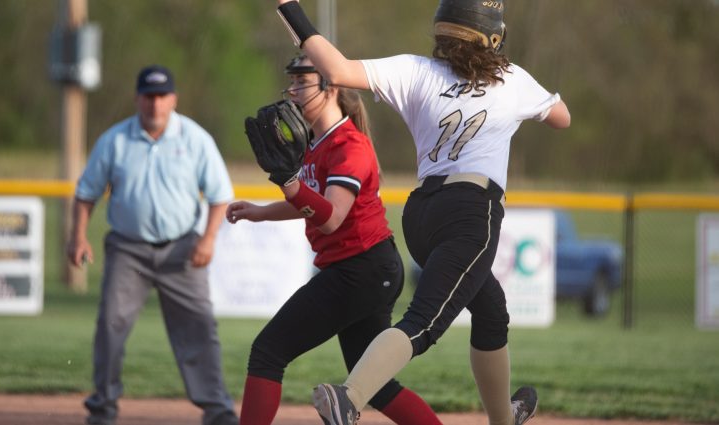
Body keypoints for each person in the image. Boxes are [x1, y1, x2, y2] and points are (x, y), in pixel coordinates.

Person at [272, 1, 572, 425]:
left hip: (422, 217)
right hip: (473, 212)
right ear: (493, 36)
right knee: (423, 323)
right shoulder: (511, 78)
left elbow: (334, 69)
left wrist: (289, 7)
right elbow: (562, 118)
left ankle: (505, 416)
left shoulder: (415, 71)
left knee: (490, 309)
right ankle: (349, 398)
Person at [227, 55, 443, 425]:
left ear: (333, 88)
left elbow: (331, 218)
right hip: (367, 270)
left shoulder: (350, 146)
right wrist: (261, 211)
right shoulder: (314, 144)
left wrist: (289, 182)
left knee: (267, 352)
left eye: (303, 82)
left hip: (361, 269)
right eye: (291, 82)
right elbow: (313, 205)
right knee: (376, 385)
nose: (293, 91)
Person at [66, 65, 239, 425]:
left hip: (183, 249)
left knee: (200, 327)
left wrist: (208, 240)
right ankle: (103, 407)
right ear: (137, 98)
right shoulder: (114, 140)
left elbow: (220, 196)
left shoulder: (195, 138)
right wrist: (78, 236)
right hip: (128, 250)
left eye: (162, 96)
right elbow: (86, 193)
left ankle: (217, 410)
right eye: (148, 96)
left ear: (173, 99)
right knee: (111, 324)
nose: (155, 104)